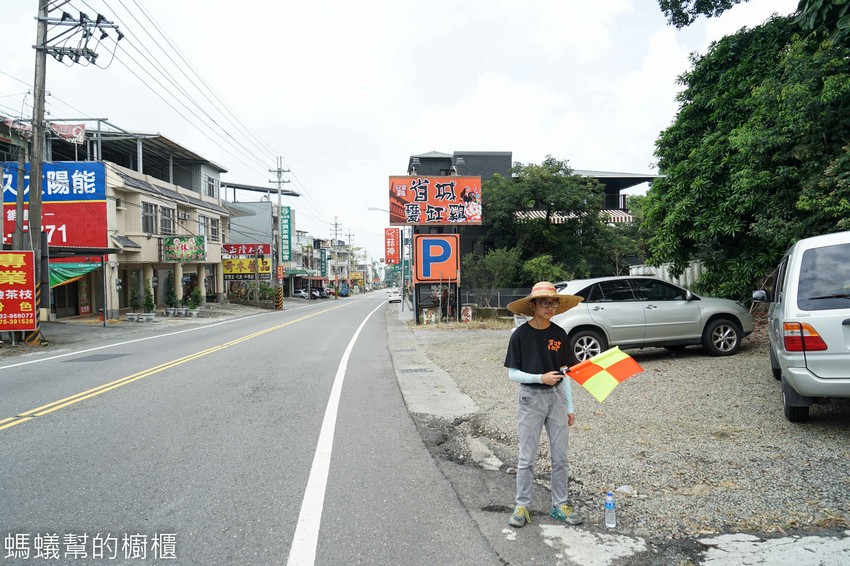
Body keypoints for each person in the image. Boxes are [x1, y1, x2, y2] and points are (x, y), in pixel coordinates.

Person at [504, 281, 584, 528]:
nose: (550, 307)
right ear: (533, 305)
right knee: (526, 457)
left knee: (560, 456)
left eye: (554, 302)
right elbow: (513, 374)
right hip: (530, 397)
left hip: (556, 398)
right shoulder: (520, 335)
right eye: (545, 302)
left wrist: (569, 406)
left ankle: (560, 505)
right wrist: (540, 378)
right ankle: (522, 506)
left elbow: (564, 373)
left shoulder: (559, 334)